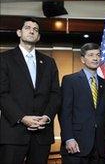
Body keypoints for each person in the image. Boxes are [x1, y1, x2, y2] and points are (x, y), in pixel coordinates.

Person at [0, 17, 61, 163]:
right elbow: (2, 93)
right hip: (13, 132)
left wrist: (46, 117)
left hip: (42, 133)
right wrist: (22, 118)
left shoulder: (49, 62)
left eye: (35, 29)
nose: (31, 31)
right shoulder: (4, 59)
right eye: (27, 28)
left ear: (38, 36)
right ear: (19, 32)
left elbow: (55, 94)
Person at [59, 43, 105, 164]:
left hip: (100, 146)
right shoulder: (70, 80)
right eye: (91, 55)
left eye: (98, 55)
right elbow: (64, 112)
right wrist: (68, 138)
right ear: (82, 59)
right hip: (76, 144)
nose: (95, 58)